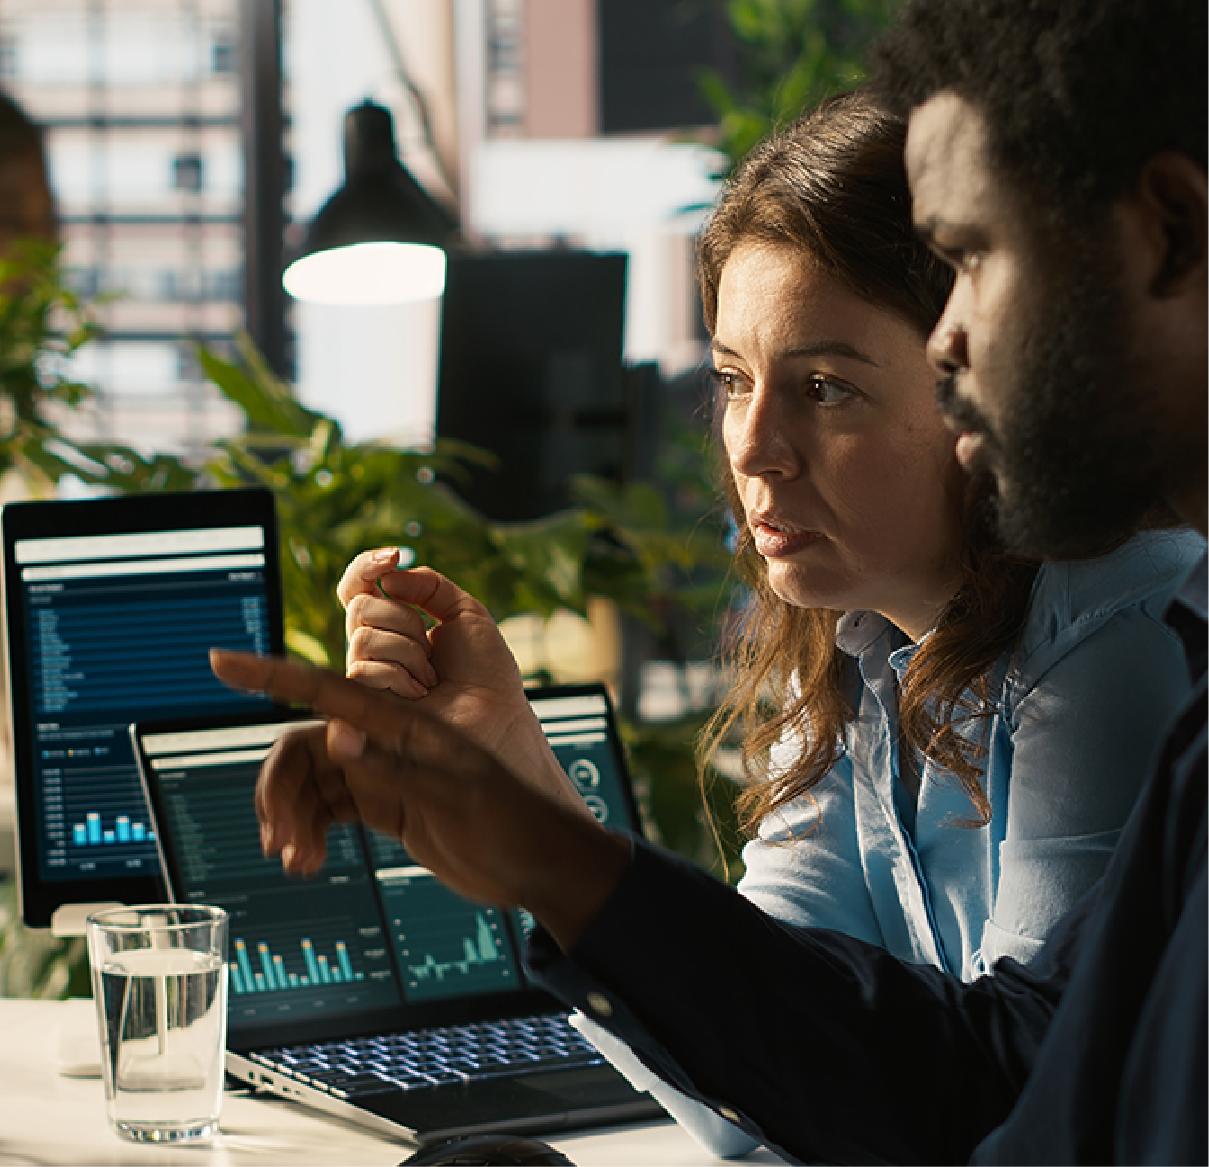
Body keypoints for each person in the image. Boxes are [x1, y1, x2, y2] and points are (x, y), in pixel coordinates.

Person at [210, 0, 1207, 1160]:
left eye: (825, 386)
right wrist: (536, 813)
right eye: (733, 379)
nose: (752, 446)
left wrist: (553, 856)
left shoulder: (1133, 649)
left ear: (1172, 231)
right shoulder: (864, 654)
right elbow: (775, 1081)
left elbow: (996, 1103)